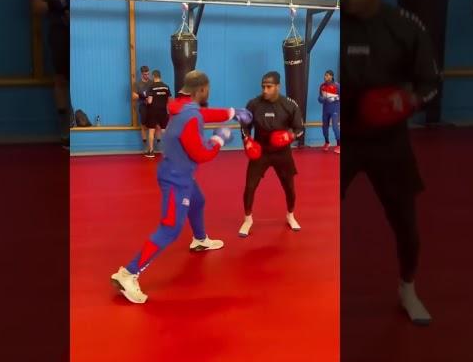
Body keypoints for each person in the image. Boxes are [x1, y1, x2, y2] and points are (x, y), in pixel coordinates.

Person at [341, 0, 440, 325]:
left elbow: (431, 82)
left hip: (389, 141)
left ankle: (408, 288)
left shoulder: (404, 26)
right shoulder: (338, 23)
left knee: (405, 223)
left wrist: (407, 100)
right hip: (346, 141)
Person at [111, 70, 251, 304]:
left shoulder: (181, 106)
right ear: (203, 90)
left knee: (198, 201)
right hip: (177, 179)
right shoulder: (190, 117)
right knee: (170, 228)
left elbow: (200, 114)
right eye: (208, 89)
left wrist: (232, 113)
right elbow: (201, 154)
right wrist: (219, 140)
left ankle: (199, 239)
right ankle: (128, 273)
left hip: (176, 171)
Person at [238, 71, 305, 237]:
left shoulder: (289, 105)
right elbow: (244, 126)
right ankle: (248, 219)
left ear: (277, 87)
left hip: (282, 153)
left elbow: (300, 129)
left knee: (289, 187)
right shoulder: (253, 104)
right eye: (263, 87)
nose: (265, 90)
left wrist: (289, 136)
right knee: (250, 186)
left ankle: (290, 215)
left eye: (269, 87)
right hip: (260, 151)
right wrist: (247, 140)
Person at [33, 0, 70, 148]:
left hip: (77, 30)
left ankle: (78, 121)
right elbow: (36, 6)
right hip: (58, 31)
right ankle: (64, 125)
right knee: (60, 79)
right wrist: (54, 5)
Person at [143, 70, 172, 158]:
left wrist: (146, 101)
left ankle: (151, 151)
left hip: (153, 111)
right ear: (160, 76)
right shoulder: (166, 87)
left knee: (151, 130)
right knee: (164, 130)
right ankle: (170, 151)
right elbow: (170, 100)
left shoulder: (151, 86)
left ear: (153, 76)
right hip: (163, 111)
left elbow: (150, 101)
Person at [318, 69, 340, 154]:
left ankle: (339, 145)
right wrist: (321, 99)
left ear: (331, 76)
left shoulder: (337, 86)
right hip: (325, 110)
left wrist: (333, 98)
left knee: (335, 127)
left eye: (327, 75)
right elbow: (319, 97)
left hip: (335, 109)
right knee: (324, 127)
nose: (325, 77)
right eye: (325, 75)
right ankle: (327, 143)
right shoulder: (322, 86)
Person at [132, 66, 152, 147]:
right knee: (143, 123)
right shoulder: (137, 84)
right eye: (145, 74)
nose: (147, 76)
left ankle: (153, 144)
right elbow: (133, 96)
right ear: (141, 74)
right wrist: (142, 97)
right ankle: (144, 142)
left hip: (152, 106)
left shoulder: (152, 82)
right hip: (143, 105)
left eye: (148, 74)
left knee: (153, 124)